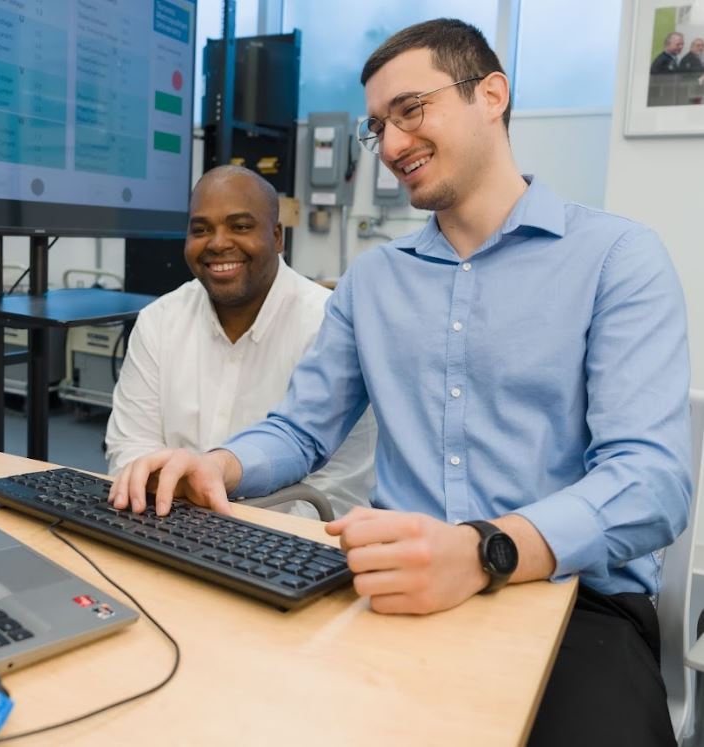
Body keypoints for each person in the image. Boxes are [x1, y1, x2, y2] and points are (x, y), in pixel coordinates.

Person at [110, 18, 690, 747]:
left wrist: (485, 550)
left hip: (573, 605)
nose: (388, 146)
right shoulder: (373, 280)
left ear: (491, 95)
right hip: (388, 588)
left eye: (410, 111)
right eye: (376, 126)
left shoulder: (615, 258)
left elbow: (651, 480)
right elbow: (300, 427)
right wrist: (217, 462)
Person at [106, 165, 377, 517]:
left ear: (277, 237)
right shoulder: (159, 320)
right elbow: (130, 449)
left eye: (241, 227)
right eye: (201, 230)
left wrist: (252, 547)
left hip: (286, 550)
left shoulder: (330, 325)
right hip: (168, 528)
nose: (218, 243)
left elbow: (341, 487)